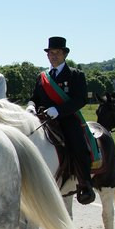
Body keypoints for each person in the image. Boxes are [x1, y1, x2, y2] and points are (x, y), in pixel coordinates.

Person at [27, 37, 96, 205]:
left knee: (78, 144)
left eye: (57, 53)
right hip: (44, 119)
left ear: (64, 54)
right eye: (51, 53)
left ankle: (85, 183)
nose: (53, 56)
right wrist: (30, 106)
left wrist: (58, 110)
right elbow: (35, 98)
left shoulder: (75, 75)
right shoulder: (42, 77)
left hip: (67, 118)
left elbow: (80, 99)